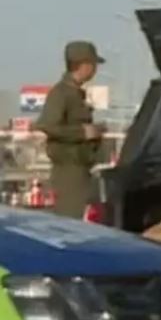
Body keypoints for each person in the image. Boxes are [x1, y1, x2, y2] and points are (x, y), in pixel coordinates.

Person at [34, 41, 106, 219]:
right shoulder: (61, 93)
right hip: (68, 170)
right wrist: (83, 132)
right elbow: (47, 125)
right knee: (71, 222)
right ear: (84, 65)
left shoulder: (75, 92)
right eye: (93, 65)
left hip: (80, 168)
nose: (95, 70)